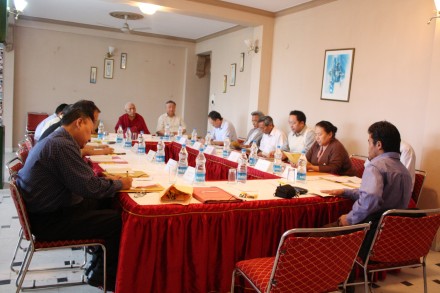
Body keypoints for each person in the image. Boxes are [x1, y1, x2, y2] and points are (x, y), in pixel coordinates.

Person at [16, 100, 132, 291]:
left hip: (46, 210)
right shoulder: (62, 145)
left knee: (105, 200)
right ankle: (104, 277)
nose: (91, 135)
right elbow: (89, 187)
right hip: (49, 221)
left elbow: (85, 181)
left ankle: (96, 262)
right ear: (79, 122)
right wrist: (121, 183)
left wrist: (107, 181)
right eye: (91, 128)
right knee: (116, 221)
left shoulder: (59, 138)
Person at [321, 121, 412, 286]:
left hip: (369, 233)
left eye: (369, 142)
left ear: (378, 144)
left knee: (315, 235)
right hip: (390, 239)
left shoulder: (375, 166)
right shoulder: (404, 171)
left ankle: (322, 283)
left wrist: (349, 219)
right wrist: (346, 191)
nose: (368, 146)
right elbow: (380, 196)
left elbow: (371, 199)